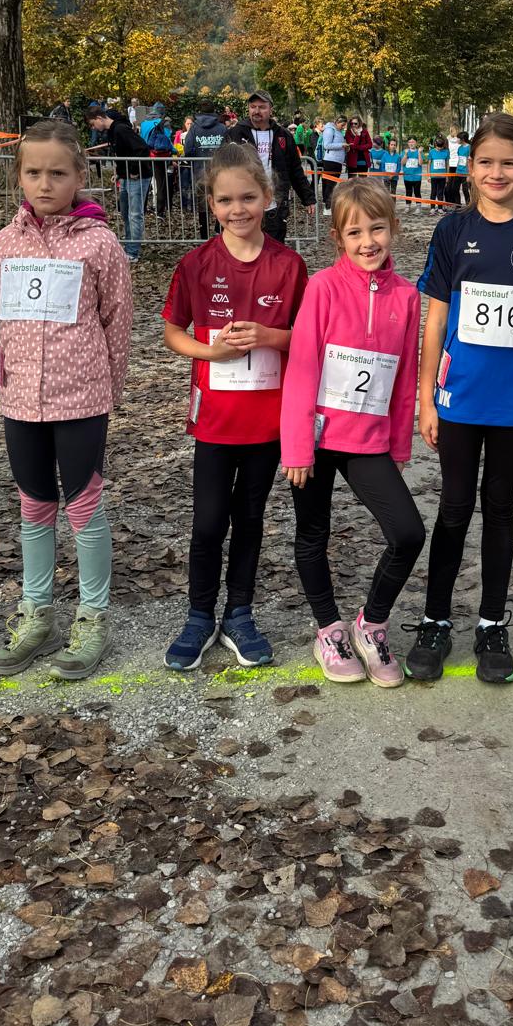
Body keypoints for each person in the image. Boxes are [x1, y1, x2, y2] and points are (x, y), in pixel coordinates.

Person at [406, 113, 513, 684]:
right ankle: (435, 620)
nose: (496, 172)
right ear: (470, 167)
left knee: (499, 507)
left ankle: (491, 623)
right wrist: (427, 399)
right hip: (459, 397)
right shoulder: (452, 230)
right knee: (454, 507)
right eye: (485, 162)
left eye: (508, 163)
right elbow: (435, 320)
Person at [0, 122, 133, 681]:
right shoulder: (6, 242)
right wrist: (11, 378)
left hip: (82, 398)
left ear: (79, 176)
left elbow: (117, 319)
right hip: (22, 400)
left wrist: (108, 388)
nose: (44, 184)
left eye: (57, 173)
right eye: (33, 172)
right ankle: (37, 612)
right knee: (33, 504)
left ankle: (93, 615)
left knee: (84, 504)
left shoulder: (100, 244)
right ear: (18, 176)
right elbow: (1, 311)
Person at [162, 144, 309, 671]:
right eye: (225, 200)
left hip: (267, 423)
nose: (237, 208)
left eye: (248, 197)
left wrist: (269, 335)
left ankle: (239, 614)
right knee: (207, 523)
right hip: (215, 423)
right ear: (211, 204)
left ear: (268, 197)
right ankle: (199, 615)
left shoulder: (289, 265)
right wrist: (210, 353)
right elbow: (173, 331)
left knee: (249, 520)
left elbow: (306, 338)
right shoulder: (196, 264)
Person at [281, 179, 422, 687]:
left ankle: (371, 624)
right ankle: (328, 630)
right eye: (355, 232)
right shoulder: (322, 287)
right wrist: (297, 446)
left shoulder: (407, 296)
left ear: (394, 229)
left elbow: (405, 377)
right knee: (312, 535)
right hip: (318, 440)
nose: (368, 242)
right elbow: (302, 368)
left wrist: (399, 443)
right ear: (338, 238)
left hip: (369, 441)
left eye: (377, 229)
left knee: (408, 533)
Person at [226, 90, 317, 245]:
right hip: (243, 206)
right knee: (245, 247)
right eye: (253, 107)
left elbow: (295, 169)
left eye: (262, 107)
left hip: (275, 204)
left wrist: (307, 197)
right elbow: (223, 168)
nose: (256, 111)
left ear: (270, 109)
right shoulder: (235, 133)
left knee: (274, 248)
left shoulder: (283, 135)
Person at [91, 105, 153, 260]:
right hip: (126, 177)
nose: (94, 128)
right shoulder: (114, 130)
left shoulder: (120, 129)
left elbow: (142, 148)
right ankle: (129, 246)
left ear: (99, 118)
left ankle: (133, 251)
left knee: (134, 214)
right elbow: (122, 153)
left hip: (137, 177)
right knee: (126, 213)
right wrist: (119, 173)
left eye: (93, 124)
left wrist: (134, 170)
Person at [319, 117, 347, 208]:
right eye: (342, 125)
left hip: (337, 161)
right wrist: (342, 145)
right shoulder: (329, 130)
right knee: (330, 184)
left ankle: (328, 204)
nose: (343, 127)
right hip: (331, 161)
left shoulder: (339, 131)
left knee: (333, 184)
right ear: (337, 122)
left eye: (344, 125)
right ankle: (327, 206)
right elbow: (327, 145)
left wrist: (345, 147)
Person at [428, 135, 450, 208]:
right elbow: (429, 164)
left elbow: (447, 164)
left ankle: (440, 207)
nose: (439, 148)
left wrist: (447, 176)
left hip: (442, 176)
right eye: (438, 147)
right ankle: (432, 207)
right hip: (434, 176)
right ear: (435, 144)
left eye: (441, 147)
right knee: (433, 192)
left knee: (440, 192)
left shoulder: (446, 152)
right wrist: (428, 176)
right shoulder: (432, 152)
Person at [401, 138, 424, 204]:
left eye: (413, 142)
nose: (411, 143)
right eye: (409, 142)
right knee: (408, 192)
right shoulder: (404, 151)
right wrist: (406, 154)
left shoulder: (419, 152)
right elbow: (402, 163)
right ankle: (408, 206)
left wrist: (419, 153)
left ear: (416, 143)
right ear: (408, 143)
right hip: (407, 176)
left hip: (417, 177)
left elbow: (420, 163)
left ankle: (418, 206)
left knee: (417, 192)